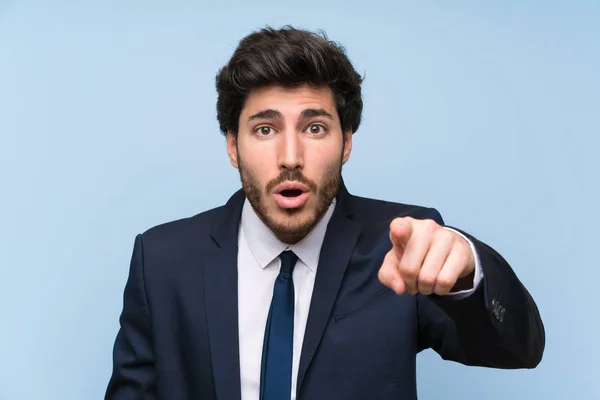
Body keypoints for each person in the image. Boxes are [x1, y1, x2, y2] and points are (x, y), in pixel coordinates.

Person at [105, 26, 545, 400]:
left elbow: (517, 351)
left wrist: (467, 270)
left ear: (346, 142)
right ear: (232, 146)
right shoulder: (161, 260)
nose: (291, 156)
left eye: (315, 128)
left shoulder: (404, 246)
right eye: (264, 129)